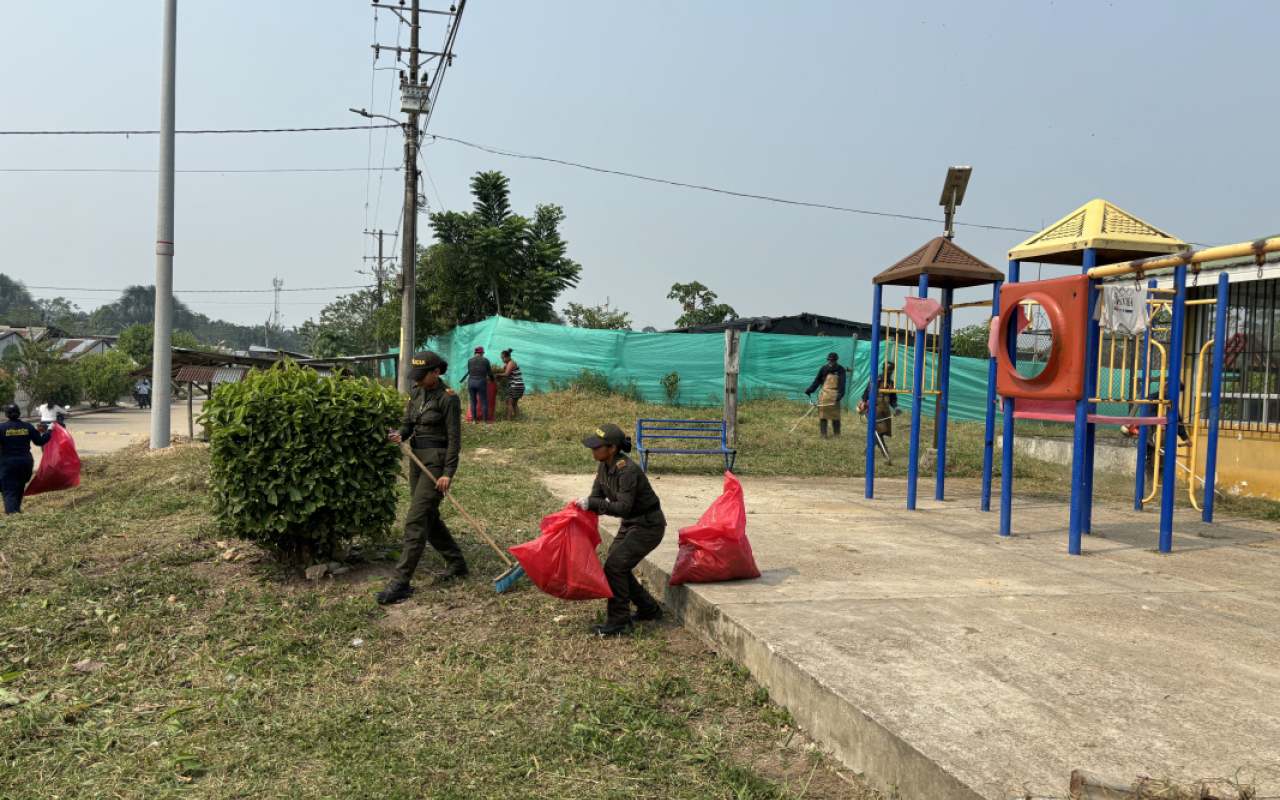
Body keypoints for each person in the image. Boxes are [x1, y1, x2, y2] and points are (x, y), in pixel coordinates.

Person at [378, 350, 467, 605]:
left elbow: (454, 440)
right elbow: (408, 424)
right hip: (416, 460)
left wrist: (448, 473)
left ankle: (400, 583)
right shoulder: (416, 393)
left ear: (436, 372)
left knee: (416, 520)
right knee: (428, 515)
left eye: (421, 376)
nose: (415, 381)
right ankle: (457, 562)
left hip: (435, 464)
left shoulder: (448, 399)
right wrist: (400, 435)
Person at [573, 423, 665, 638]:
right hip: (631, 524)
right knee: (616, 567)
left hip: (648, 526)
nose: (592, 450)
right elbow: (596, 498)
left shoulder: (627, 470)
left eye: (598, 447)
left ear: (612, 448)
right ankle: (649, 609)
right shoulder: (604, 466)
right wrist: (578, 510)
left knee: (615, 567)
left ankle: (620, 622)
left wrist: (594, 505)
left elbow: (622, 507)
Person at [0, 403, 51, 515]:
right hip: (26, 463)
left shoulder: (1, 428)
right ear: (19, 414)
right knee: (19, 487)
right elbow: (40, 441)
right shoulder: (28, 427)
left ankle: (12, 516)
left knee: (9, 491)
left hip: (8, 464)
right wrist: (49, 432)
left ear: (5, 415)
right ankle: (16, 511)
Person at [805, 352, 847, 438]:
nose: (832, 362)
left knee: (835, 416)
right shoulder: (824, 369)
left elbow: (842, 384)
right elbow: (817, 381)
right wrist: (811, 389)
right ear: (828, 360)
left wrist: (840, 394)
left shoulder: (841, 370)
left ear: (836, 360)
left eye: (833, 360)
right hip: (824, 394)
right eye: (830, 360)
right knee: (823, 415)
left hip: (835, 395)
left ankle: (837, 434)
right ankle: (823, 434)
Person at [466, 346, 495, 424]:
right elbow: (490, 373)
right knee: (484, 402)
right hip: (481, 381)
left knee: (473, 401)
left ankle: (474, 420)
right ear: (482, 353)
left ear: (475, 353)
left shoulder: (470, 360)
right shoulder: (485, 361)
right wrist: (493, 380)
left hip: (471, 382)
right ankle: (485, 420)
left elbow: (470, 370)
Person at [495, 348, 525, 421]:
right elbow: (502, 370)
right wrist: (498, 370)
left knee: (509, 402)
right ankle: (517, 419)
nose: (503, 360)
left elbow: (506, 374)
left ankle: (508, 420)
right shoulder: (507, 363)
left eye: (504, 358)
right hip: (519, 386)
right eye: (502, 358)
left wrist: (497, 375)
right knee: (514, 403)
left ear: (508, 357)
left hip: (515, 385)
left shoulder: (511, 363)